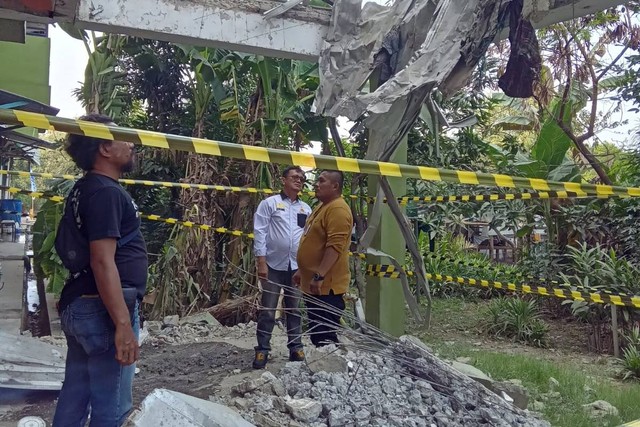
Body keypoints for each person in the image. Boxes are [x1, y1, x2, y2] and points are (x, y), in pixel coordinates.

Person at [53, 114, 148, 426]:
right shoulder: (106, 192)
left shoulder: (86, 188)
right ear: (105, 148)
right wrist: (122, 324)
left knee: (76, 396)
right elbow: (102, 260)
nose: (132, 144)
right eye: (124, 137)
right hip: (102, 311)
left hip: (83, 303)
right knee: (112, 408)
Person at [252, 166, 312, 368]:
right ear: (283, 180)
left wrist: (304, 267)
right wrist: (261, 261)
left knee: (294, 309)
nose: (299, 180)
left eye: (302, 178)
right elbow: (260, 232)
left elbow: (308, 238)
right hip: (272, 266)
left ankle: (296, 347)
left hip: (296, 267)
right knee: (268, 309)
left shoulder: (306, 209)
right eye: (295, 177)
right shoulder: (269, 204)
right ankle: (262, 351)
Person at [294, 170, 353, 347]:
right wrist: (302, 271)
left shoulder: (338, 209)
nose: (316, 184)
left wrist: (319, 276)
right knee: (317, 332)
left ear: (335, 186)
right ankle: (323, 369)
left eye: (321, 181)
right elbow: (312, 240)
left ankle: (330, 370)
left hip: (326, 287)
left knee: (324, 335)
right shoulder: (323, 206)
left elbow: (334, 247)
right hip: (314, 283)